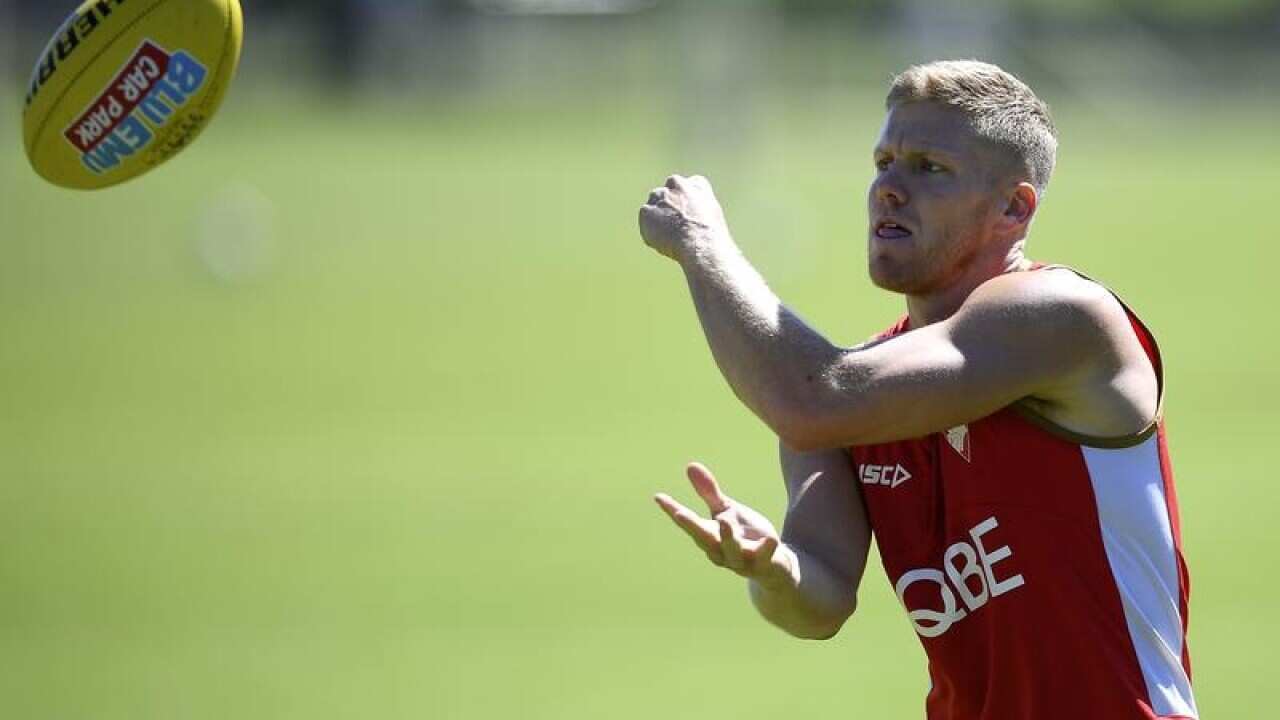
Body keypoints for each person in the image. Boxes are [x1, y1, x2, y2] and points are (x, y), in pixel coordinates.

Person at [637, 60, 1197, 720]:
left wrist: (702, 242)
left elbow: (809, 399)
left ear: (1014, 208)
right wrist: (771, 569)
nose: (888, 189)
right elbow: (818, 601)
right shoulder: (861, 393)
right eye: (883, 162)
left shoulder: (1061, 316)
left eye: (929, 167)